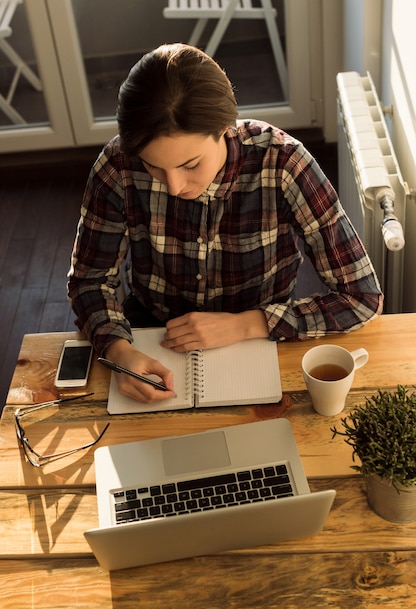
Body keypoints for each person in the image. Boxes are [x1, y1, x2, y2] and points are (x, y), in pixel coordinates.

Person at [67, 43, 383, 404]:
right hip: (153, 332)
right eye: (153, 166)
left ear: (225, 127)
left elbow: (361, 296)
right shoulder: (117, 166)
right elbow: (89, 280)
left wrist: (246, 324)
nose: (173, 187)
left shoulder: (284, 164)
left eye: (190, 164)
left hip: (260, 339)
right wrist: (120, 353)